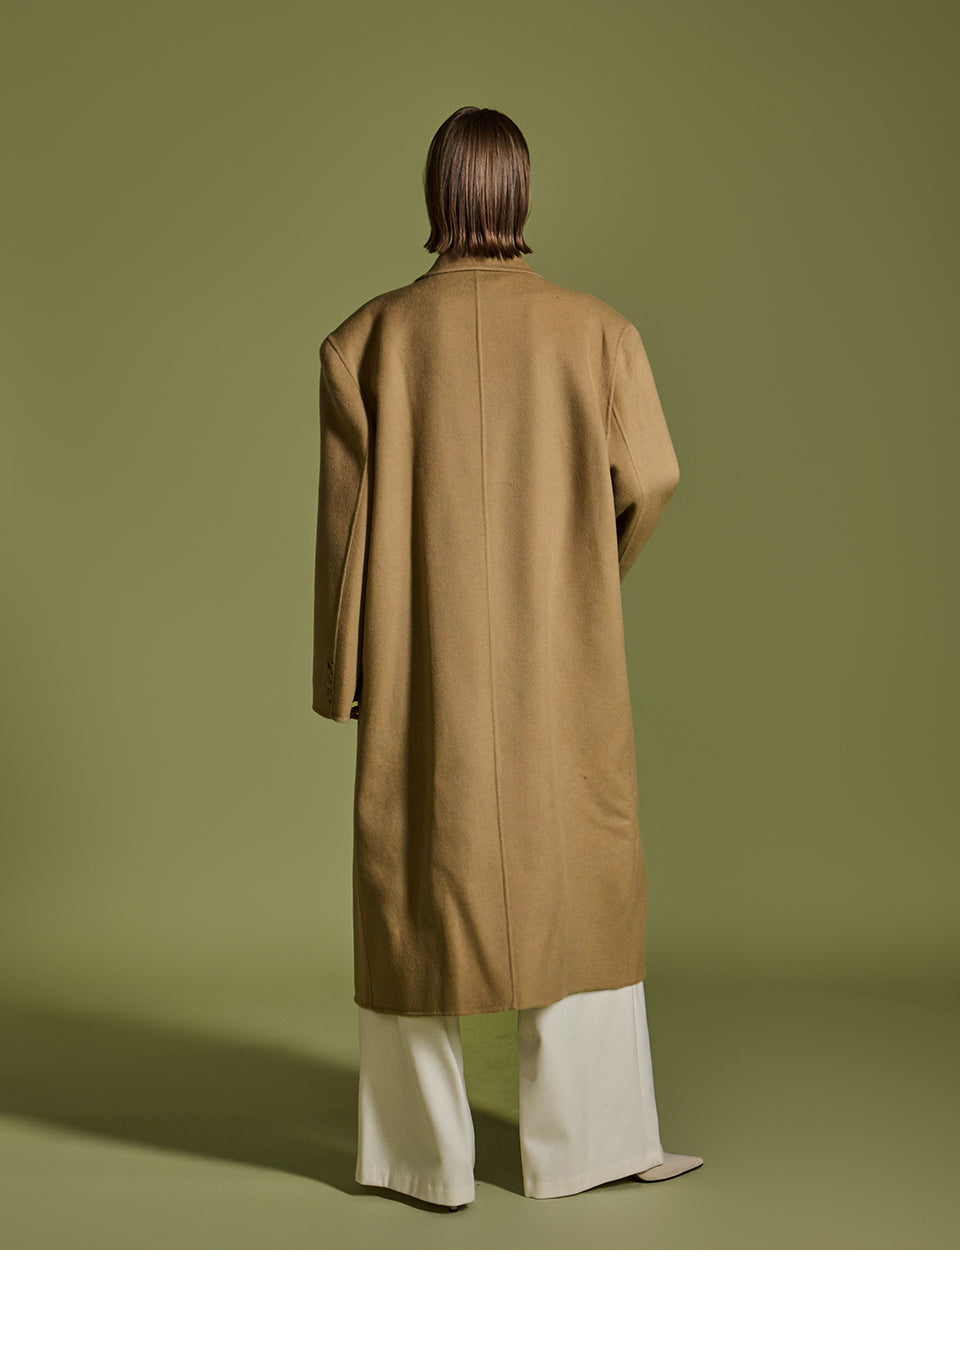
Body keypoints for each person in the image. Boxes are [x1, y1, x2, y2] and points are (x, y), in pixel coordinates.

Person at [312, 106, 702, 1208]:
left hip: (420, 656)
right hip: (559, 655)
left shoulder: (366, 341)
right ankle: (586, 1148)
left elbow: (347, 529)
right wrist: (590, 572)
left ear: (436, 193)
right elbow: (654, 476)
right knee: (578, 878)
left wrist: (342, 673)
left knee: (410, 883)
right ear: (519, 193)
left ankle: (420, 1161)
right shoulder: (599, 332)